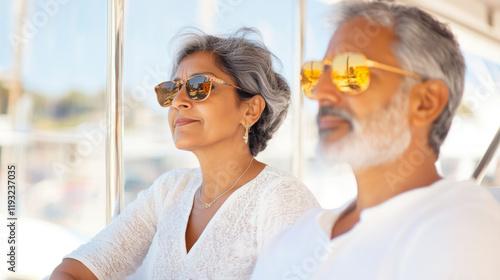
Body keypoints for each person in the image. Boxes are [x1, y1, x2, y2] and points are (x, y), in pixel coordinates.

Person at [251, 2, 500, 279]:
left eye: (349, 71)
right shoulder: (295, 236)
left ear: (426, 102)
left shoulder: (463, 231)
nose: (320, 91)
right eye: (315, 74)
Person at [50, 28, 319, 279]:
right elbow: (76, 270)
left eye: (199, 86)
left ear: (250, 110)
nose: (178, 101)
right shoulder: (169, 190)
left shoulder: (281, 199)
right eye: (172, 89)